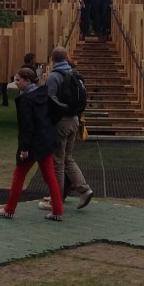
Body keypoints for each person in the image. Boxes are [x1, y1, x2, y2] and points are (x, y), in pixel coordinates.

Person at [0, 67, 64, 221]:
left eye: (18, 80)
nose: (16, 83)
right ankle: (58, 210)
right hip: (46, 140)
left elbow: (27, 126)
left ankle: (9, 209)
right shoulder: (42, 93)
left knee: (19, 174)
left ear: (27, 81)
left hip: (33, 142)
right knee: (50, 176)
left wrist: (24, 149)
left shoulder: (26, 100)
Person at [38, 46, 93, 213]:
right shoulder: (74, 74)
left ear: (52, 59)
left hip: (60, 122)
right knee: (68, 158)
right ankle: (84, 189)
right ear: (66, 57)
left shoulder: (54, 76)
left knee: (58, 162)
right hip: (74, 120)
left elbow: (50, 99)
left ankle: (57, 198)